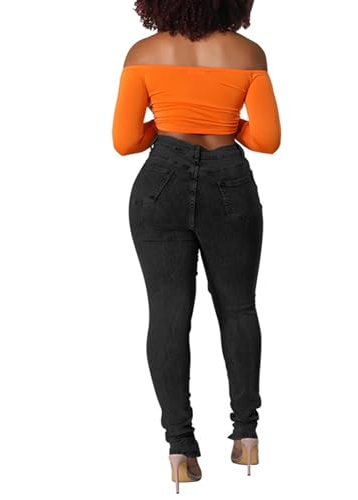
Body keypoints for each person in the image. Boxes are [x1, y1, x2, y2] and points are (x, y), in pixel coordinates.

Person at [112, 0, 281, 492]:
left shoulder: (143, 53)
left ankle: (180, 448)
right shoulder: (249, 54)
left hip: (160, 182)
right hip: (230, 181)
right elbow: (267, 139)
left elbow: (125, 141)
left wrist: (168, 125)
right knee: (239, 308)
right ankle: (246, 435)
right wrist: (225, 124)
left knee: (167, 314)